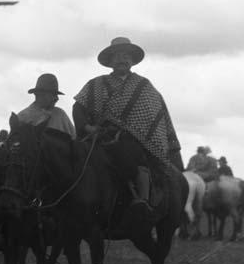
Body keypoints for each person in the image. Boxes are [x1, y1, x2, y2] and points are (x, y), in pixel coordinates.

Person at [72, 36, 183, 209]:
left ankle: (142, 202)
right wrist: (88, 127)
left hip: (133, 141)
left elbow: (156, 115)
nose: (122, 59)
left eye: (126, 56)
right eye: (117, 56)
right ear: (110, 61)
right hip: (98, 138)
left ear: (131, 60)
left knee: (133, 157)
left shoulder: (145, 86)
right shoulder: (95, 84)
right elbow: (78, 108)